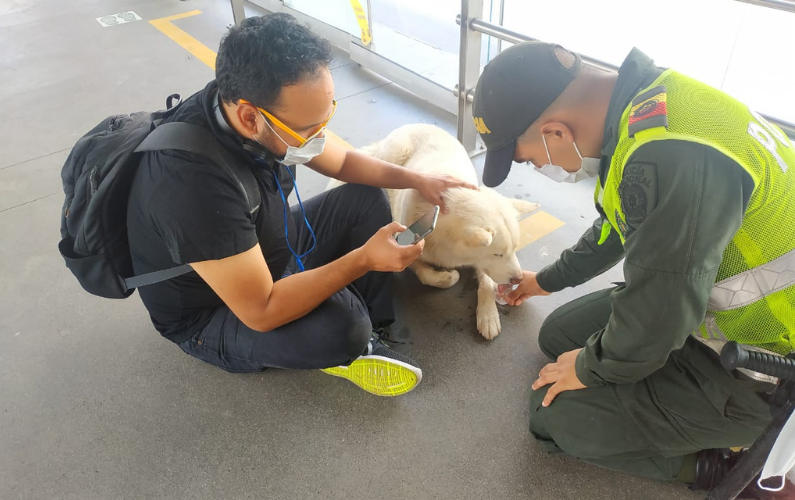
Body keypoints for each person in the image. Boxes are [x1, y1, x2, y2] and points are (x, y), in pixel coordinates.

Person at [472, 42, 795, 497]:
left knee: (553, 417)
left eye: (528, 158)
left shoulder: (668, 155)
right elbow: (617, 230)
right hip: (700, 309)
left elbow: (657, 318)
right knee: (557, 336)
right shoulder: (646, 108)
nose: (539, 167)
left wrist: (588, 367)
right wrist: (542, 281)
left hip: (762, 364)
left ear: (556, 132)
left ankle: (715, 463)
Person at [125, 13, 475, 397]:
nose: (319, 138)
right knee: (343, 330)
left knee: (364, 196)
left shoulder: (241, 104)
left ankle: (373, 323)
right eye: (308, 130)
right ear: (249, 116)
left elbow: (341, 162)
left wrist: (418, 178)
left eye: (326, 119)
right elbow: (261, 310)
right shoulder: (191, 186)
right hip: (213, 310)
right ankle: (352, 341)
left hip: (259, 245)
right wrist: (362, 260)